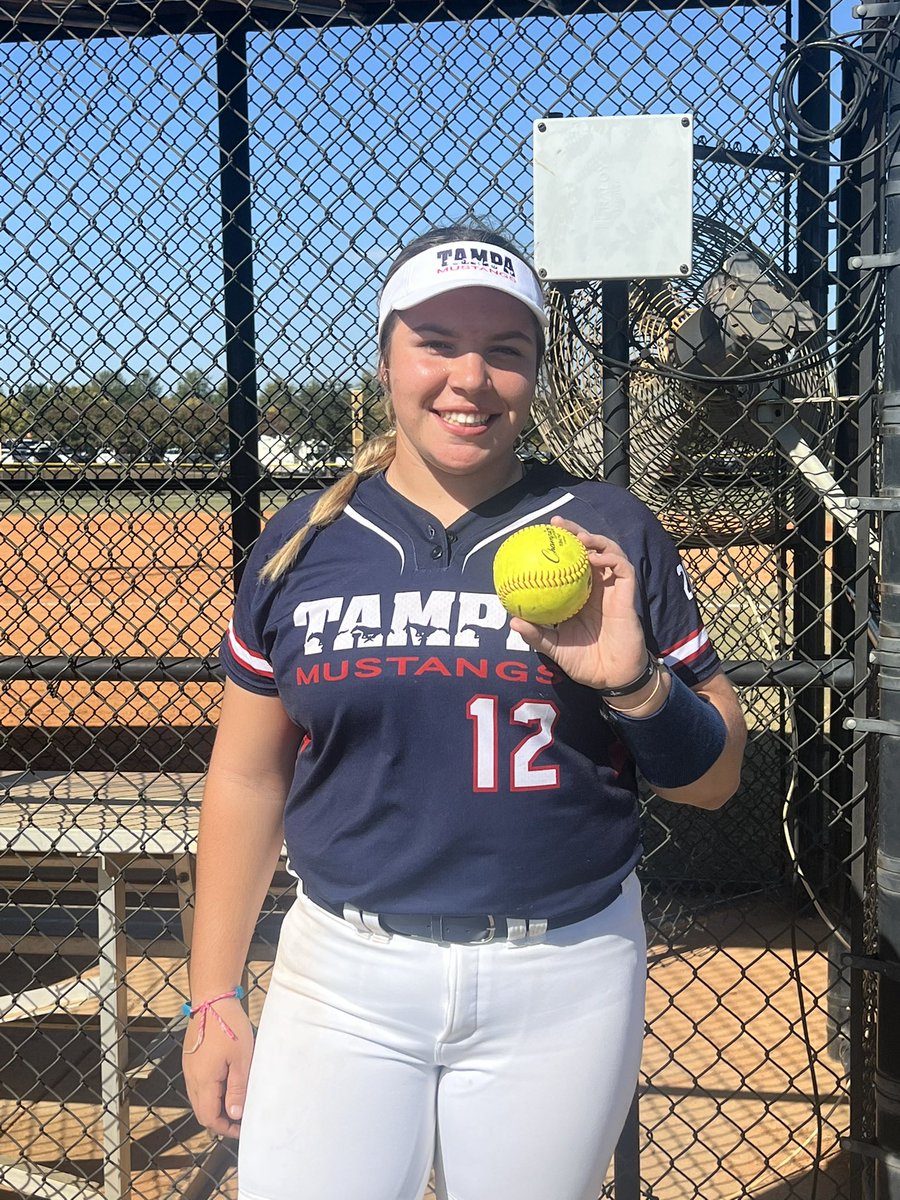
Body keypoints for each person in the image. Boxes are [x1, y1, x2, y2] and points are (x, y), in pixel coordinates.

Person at [182, 223, 747, 1200]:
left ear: (535, 372)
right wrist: (214, 997)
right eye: (438, 341)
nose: (471, 377)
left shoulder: (606, 529)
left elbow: (715, 779)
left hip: (563, 970)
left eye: (507, 350)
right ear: (387, 355)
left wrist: (634, 686)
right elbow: (246, 773)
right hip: (345, 972)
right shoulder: (302, 544)